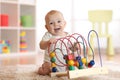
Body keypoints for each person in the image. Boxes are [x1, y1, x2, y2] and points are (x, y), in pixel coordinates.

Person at [37, 10, 70, 75]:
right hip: (50, 62)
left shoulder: (67, 35)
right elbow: (41, 46)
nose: (56, 24)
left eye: (59, 21)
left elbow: (71, 47)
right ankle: (41, 69)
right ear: (47, 27)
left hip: (65, 62)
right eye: (51, 23)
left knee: (72, 66)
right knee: (46, 70)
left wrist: (76, 47)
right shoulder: (48, 35)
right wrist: (47, 42)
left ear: (64, 23)